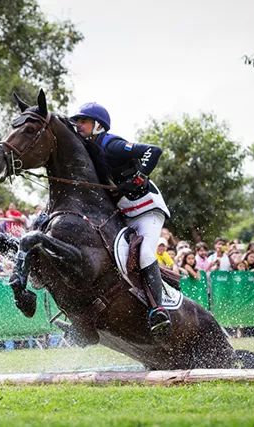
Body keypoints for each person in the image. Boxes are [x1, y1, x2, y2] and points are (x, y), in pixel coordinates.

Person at [72, 102, 171, 335]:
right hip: (123, 214)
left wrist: (140, 176)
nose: (78, 126)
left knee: (146, 253)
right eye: (77, 122)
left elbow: (153, 151)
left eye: (83, 121)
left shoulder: (112, 144)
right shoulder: (87, 150)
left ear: (98, 125)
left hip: (146, 210)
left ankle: (158, 309)